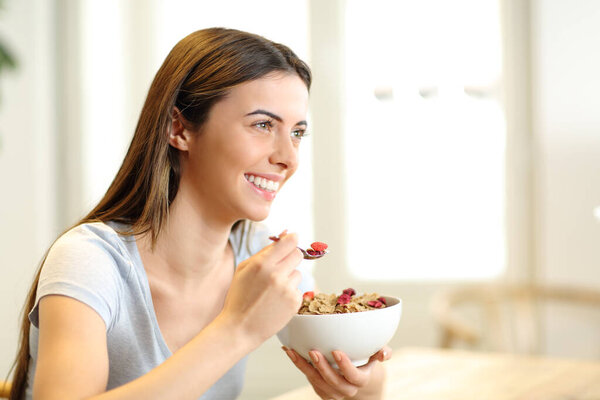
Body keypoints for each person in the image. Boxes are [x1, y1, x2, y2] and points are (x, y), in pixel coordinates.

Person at [8, 28, 390, 400]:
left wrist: (362, 384)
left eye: (297, 133)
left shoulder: (258, 252)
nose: (288, 158)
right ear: (180, 128)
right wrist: (236, 329)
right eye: (262, 125)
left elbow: (353, 370)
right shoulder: (91, 259)